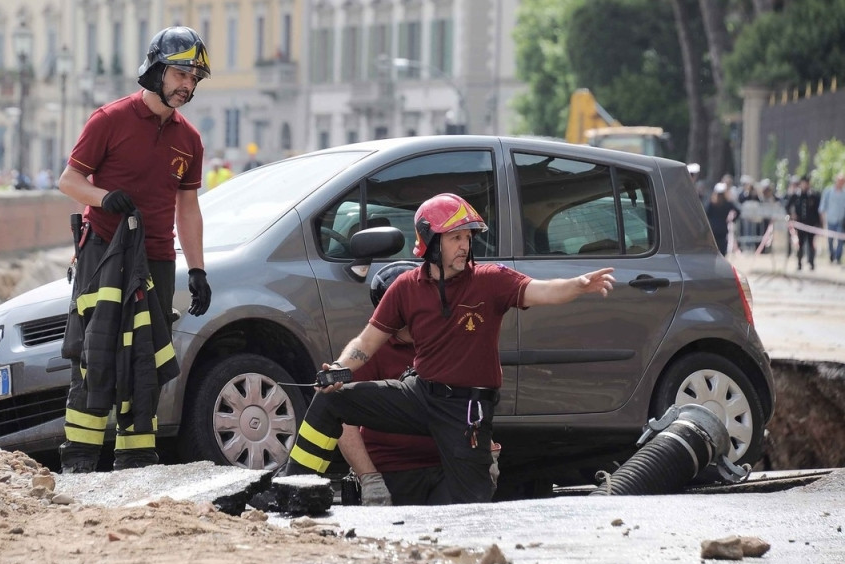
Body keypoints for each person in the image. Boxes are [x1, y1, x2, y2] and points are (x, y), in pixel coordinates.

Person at [282, 193, 615, 504]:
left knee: (470, 505)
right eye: (455, 238)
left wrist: (577, 286)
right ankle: (291, 490)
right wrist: (340, 369)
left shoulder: (491, 280)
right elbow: (366, 342)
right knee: (331, 400)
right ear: (429, 241)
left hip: (467, 410)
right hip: (420, 395)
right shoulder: (406, 287)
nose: (465, 246)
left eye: (468, 237)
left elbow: (541, 291)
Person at [56, 26, 214, 473]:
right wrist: (104, 198)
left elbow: (188, 208)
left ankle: (136, 460)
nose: (187, 86)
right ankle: (80, 460)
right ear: (156, 70)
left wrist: (198, 270)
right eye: (180, 74)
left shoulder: (190, 140)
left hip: (157, 259)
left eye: (194, 79)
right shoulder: (109, 119)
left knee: (146, 356)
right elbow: (69, 181)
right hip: (102, 252)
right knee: (94, 353)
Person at [336, 261, 446, 506]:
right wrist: (369, 478)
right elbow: (343, 418)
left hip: (445, 466)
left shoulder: (443, 341)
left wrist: (487, 452)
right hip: (393, 470)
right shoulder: (371, 351)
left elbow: (471, 401)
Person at [786, 174, 822, 271]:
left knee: (811, 244)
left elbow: (817, 210)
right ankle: (799, 263)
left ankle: (811, 262)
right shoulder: (796, 195)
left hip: (811, 224)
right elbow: (788, 206)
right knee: (800, 244)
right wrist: (791, 215)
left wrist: (818, 223)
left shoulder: (813, 196)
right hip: (800, 224)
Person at [705, 181, 740, 257]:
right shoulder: (727, 203)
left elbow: (706, 214)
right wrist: (733, 220)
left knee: (714, 249)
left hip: (713, 229)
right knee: (722, 250)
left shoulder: (712, 204)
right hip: (722, 228)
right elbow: (738, 211)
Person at [818, 172, 845, 265]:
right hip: (830, 220)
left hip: (841, 221)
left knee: (840, 240)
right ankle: (831, 255)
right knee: (830, 239)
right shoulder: (828, 192)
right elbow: (823, 206)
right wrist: (822, 218)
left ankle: (838, 257)